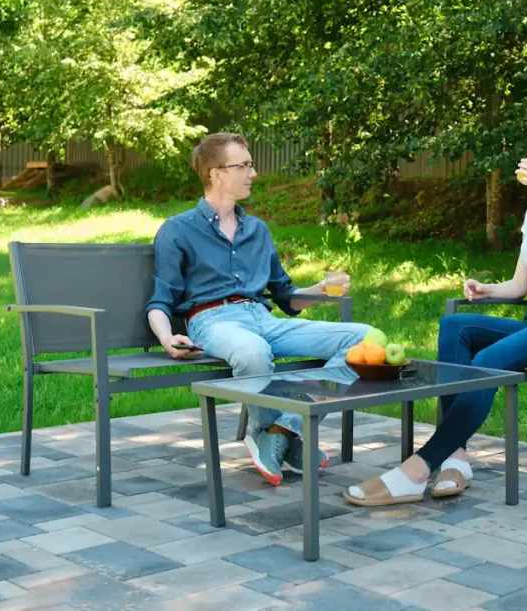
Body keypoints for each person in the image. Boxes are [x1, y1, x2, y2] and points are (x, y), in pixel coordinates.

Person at [346, 120, 527, 506]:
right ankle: (456, 457)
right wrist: (488, 289)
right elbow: (522, 285)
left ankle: (418, 469)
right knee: (456, 325)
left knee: (488, 360)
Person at [145, 132, 371, 487]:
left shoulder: (258, 230)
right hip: (212, 321)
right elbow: (160, 299)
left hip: (263, 318)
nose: (253, 173)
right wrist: (165, 337)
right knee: (252, 352)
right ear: (216, 174)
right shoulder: (178, 230)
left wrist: (322, 289)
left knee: (366, 340)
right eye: (245, 165)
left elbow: (285, 296)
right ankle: (275, 432)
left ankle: (282, 428)